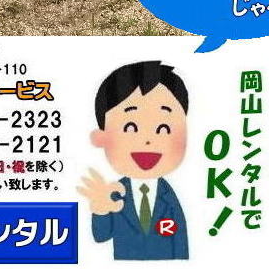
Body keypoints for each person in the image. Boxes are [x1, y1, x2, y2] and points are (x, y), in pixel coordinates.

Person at [79, 60, 189, 261]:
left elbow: (180, 242)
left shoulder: (168, 196)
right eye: (130, 127)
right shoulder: (113, 192)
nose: (147, 140)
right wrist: (101, 209)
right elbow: (101, 236)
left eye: (163, 128)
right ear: (101, 137)